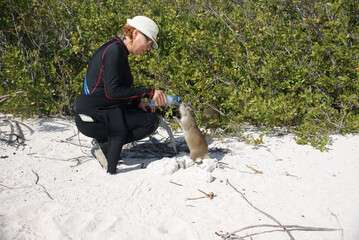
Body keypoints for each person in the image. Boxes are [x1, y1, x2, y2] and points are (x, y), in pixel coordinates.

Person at [72, 16, 168, 174]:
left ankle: (104, 141)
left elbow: (114, 90)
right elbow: (112, 92)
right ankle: (105, 147)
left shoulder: (117, 49)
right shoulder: (115, 51)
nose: (149, 48)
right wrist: (149, 92)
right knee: (150, 122)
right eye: (149, 42)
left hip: (98, 112)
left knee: (144, 112)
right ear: (135, 33)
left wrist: (138, 102)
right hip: (91, 119)